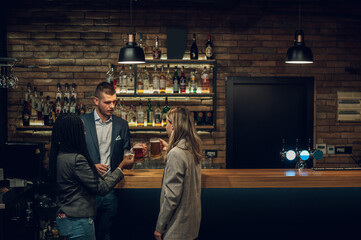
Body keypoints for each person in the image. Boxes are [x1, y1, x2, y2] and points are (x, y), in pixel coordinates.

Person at [49, 113, 135, 240]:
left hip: (66, 218)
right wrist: (121, 167)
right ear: (73, 133)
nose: (84, 133)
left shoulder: (61, 155)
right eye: (82, 130)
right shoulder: (77, 159)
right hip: (78, 221)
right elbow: (101, 188)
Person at [81, 81, 146, 240]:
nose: (112, 106)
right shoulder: (82, 122)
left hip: (111, 188)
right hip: (87, 189)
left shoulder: (121, 125)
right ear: (96, 101)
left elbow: (125, 152)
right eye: (107, 102)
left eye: (114, 102)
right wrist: (91, 166)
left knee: (108, 234)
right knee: (87, 234)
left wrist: (134, 153)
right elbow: (76, 153)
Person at [154, 107, 203, 240]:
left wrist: (159, 227)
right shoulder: (193, 148)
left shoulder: (176, 154)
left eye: (166, 122)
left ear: (173, 125)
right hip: (191, 223)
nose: (165, 127)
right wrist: (170, 147)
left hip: (177, 226)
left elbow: (171, 197)